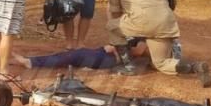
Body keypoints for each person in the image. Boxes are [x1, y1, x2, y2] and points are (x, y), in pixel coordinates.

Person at [107, 0, 211, 87]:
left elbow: (115, 15)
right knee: (161, 63)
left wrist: (119, 47)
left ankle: (128, 66)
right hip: (166, 19)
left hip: (143, 20)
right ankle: (196, 66)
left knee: (112, 26)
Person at [13, 41, 149, 70]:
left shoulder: (143, 36)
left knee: (75, 56)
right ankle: (31, 61)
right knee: (70, 55)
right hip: (103, 53)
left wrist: (115, 49)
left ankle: (31, 62)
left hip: (111, 58)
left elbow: (138, 51)